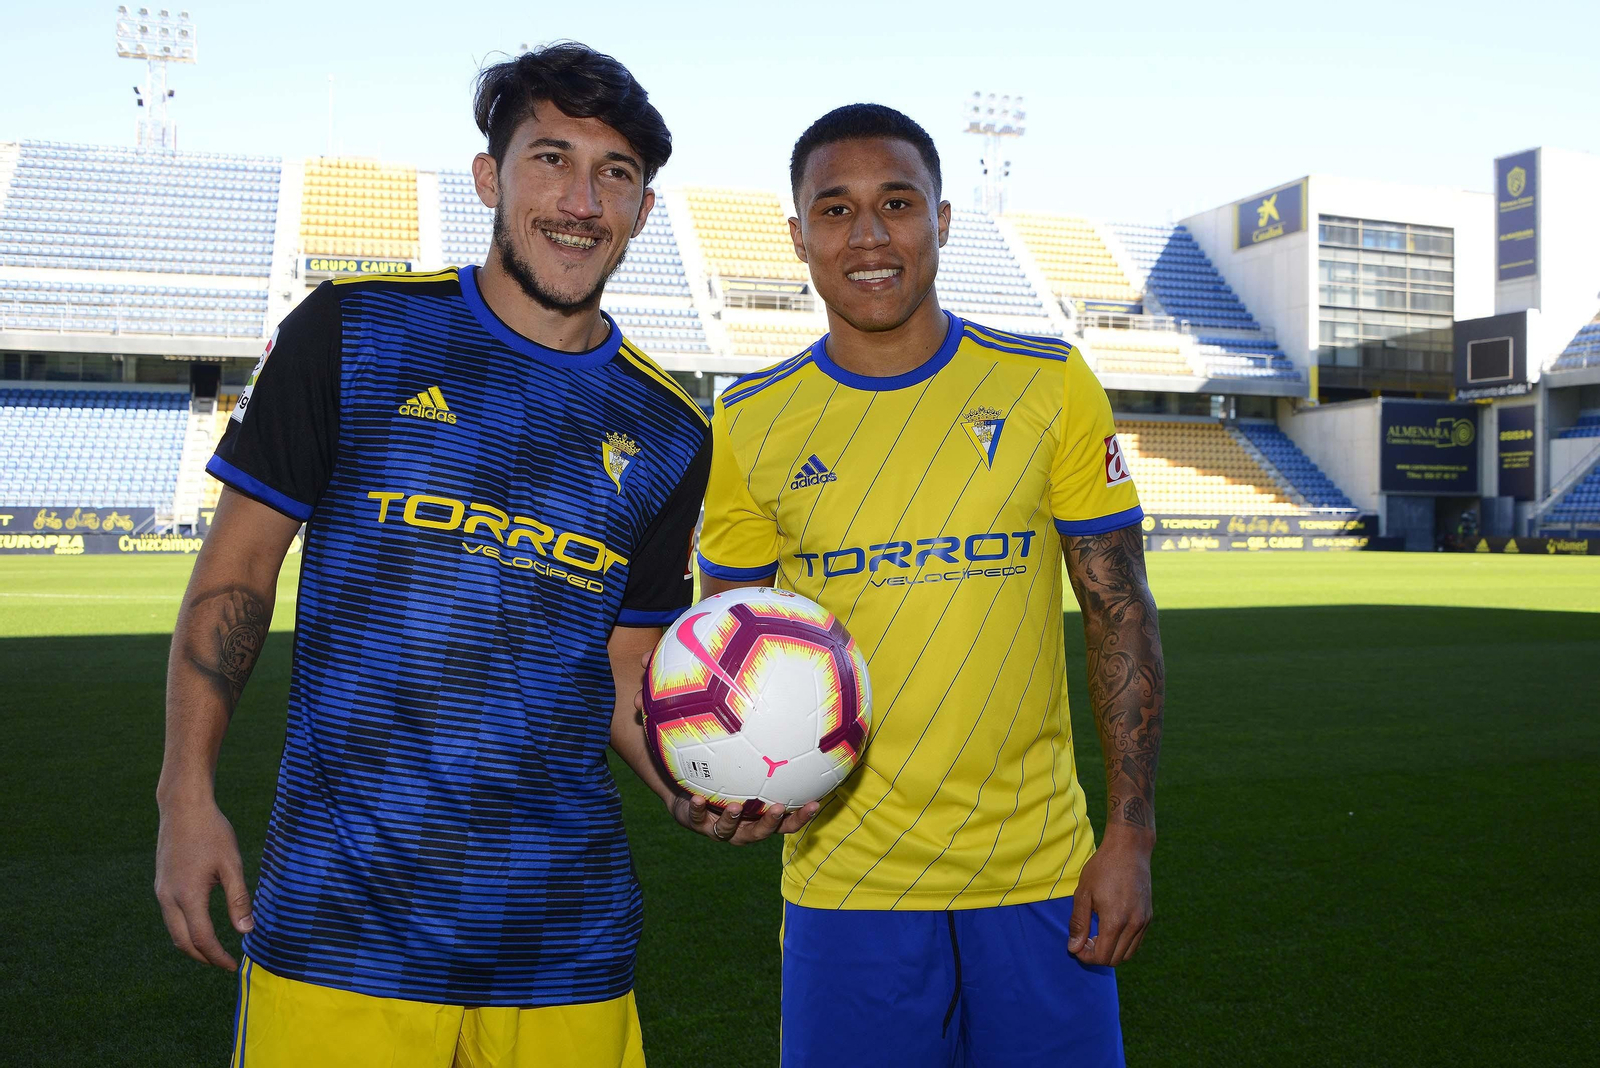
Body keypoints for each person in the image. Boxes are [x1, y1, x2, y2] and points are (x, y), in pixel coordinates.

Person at [155, 43, 728, 1068]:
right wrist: (183, 794)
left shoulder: (671, 429)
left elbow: (626, 671)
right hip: (340, 925)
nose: (580, 200)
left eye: (615, 175)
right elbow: (237, 575)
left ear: (642, 210)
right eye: (549, 158)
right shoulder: (356, 331)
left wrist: (696, 781)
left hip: (565, 938)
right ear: (488, 179)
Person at [692, 104, 1167, 1066]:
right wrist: (719, 780)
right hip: (845, 886)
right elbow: (722, 645)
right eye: (835, 210)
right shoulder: (750, 421)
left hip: (1040, 872)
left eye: (897, 203)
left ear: (942, 221)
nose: (868, 235)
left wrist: (1131, 837)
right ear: (798, 237)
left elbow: (1121, 611)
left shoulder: (1048, 385)